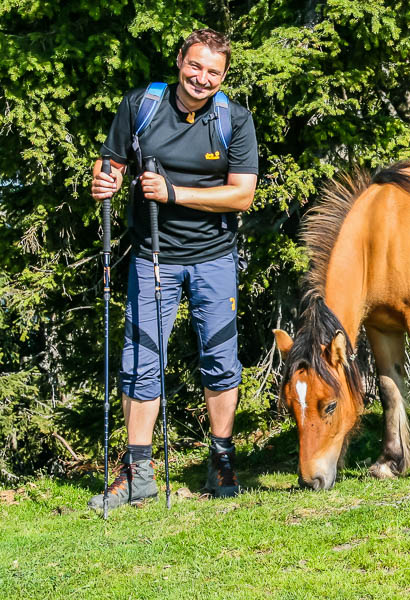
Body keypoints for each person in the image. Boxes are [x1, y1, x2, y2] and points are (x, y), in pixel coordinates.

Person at [88, 28, 258, 510]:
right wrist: (106, 181)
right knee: (141, 364)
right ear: (180, 61)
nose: (202, 79)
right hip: (152, 255)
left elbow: (241, 194)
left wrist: (175, 194)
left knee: (220, 360)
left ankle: (222, 460)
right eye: (195, 66)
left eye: (213, 72)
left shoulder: (233, 120)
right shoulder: (141, 105)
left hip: (214, 258)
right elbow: (112, 164)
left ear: (223, 78)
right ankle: (137, 472)